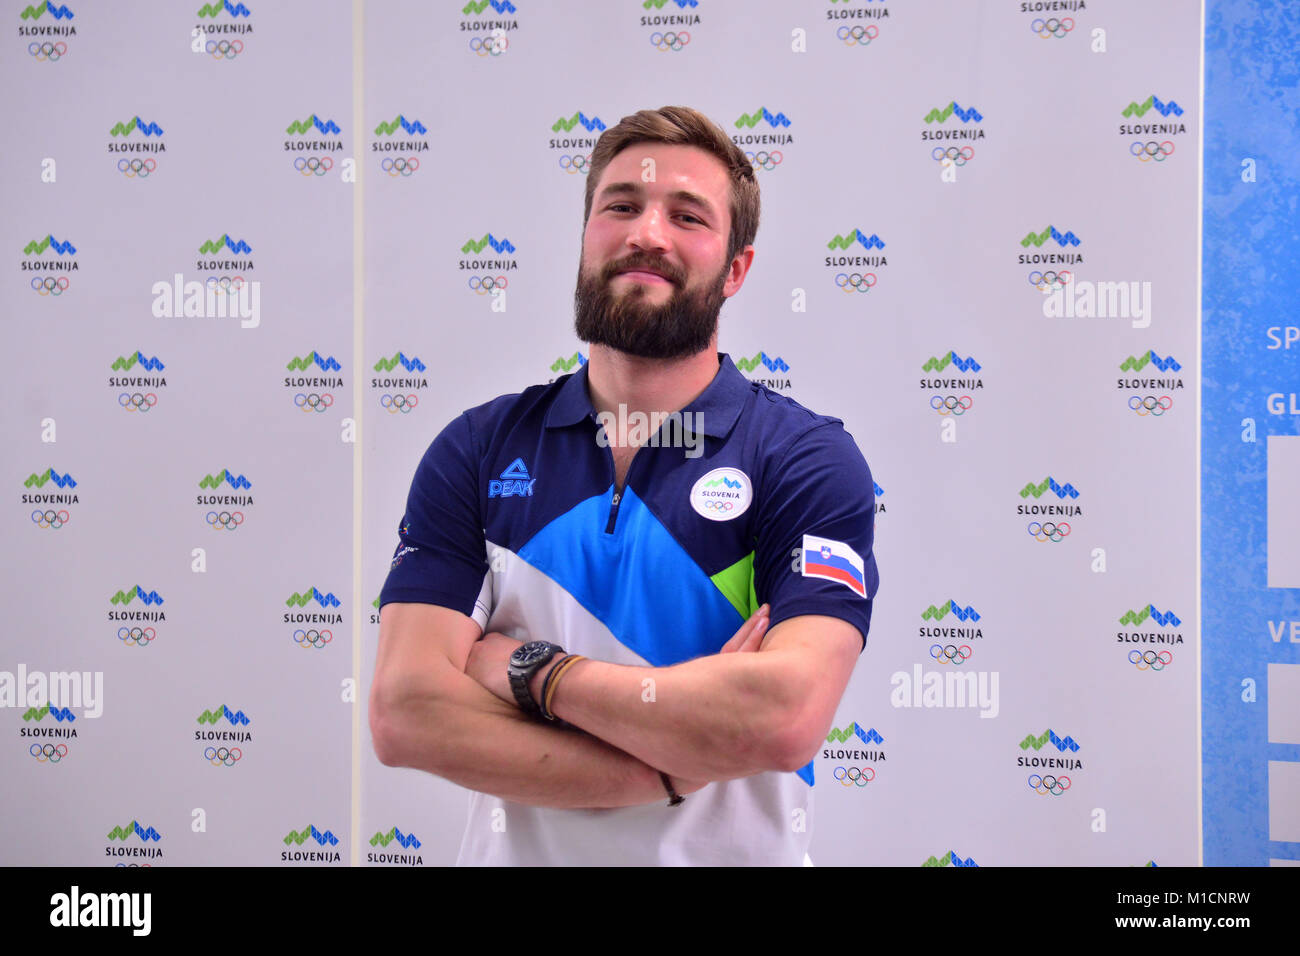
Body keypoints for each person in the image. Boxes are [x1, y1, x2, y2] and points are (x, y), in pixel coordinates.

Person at [370, 105, 879, 866]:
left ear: (735, 269)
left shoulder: (803, 459)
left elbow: (783, 717)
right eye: (621, 206)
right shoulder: (479, 447)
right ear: (586, 238)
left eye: (687, 216)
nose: (648, 234)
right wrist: (669, 770)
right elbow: (405, 712)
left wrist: (532, 670)